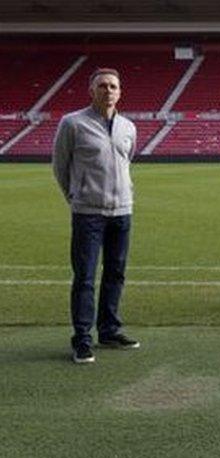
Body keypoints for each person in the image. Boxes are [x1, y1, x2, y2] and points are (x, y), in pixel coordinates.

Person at [53, 68, 140, 364]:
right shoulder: (72, 124)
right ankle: (81, 339)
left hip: (122, 211)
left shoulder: (128, 126)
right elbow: (60, 167)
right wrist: (76, 197)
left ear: (120, 92)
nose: (108, 90)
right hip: (88, 213)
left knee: (116, 273)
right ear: (92, 91)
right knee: (86, 277)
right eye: (102, 86)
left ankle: (109, 329)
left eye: (113, 86)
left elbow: (128, 160)